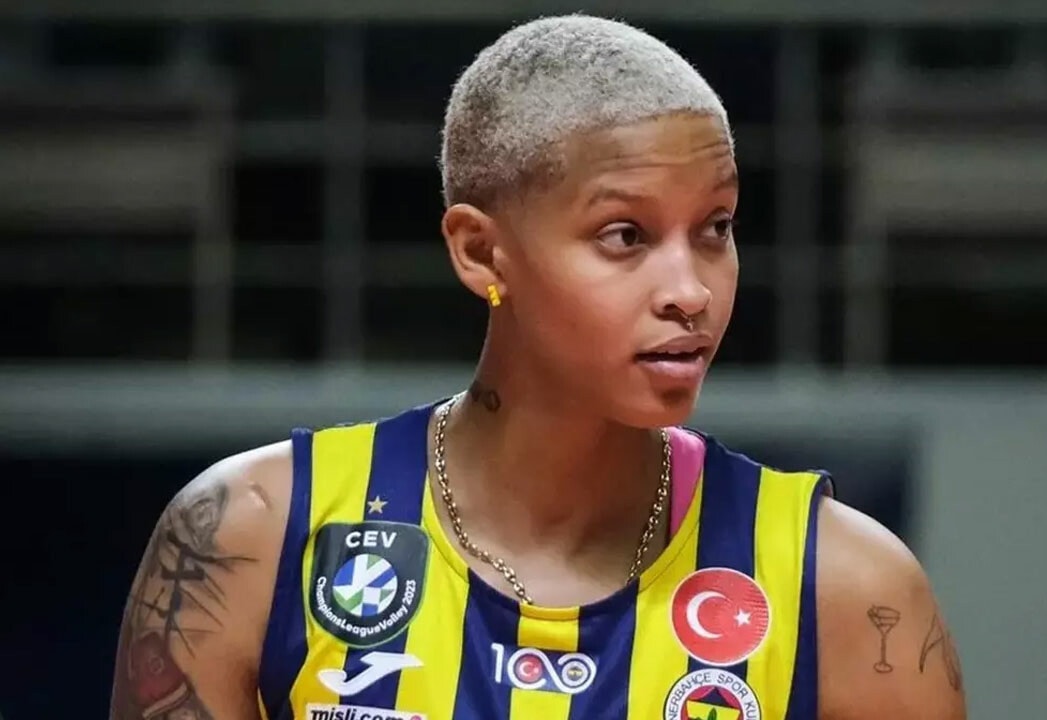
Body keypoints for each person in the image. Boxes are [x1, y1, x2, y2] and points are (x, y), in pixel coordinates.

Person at [109, 14, 966, 720]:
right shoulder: (250, 540)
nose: (691, 291)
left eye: (716, 227)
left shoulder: (847, 591)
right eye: (625, 235)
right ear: (481, 252)